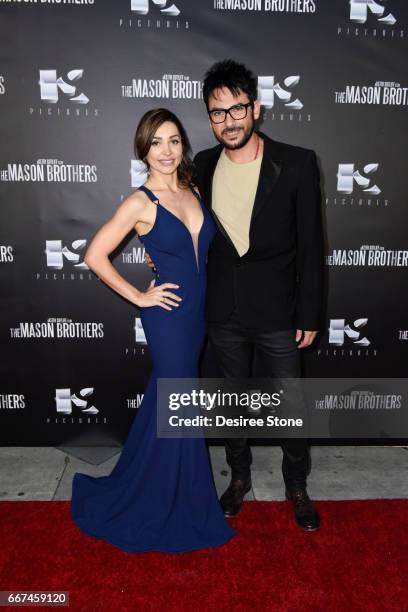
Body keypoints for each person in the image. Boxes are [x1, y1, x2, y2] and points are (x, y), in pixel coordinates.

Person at [147, 60, 324, 531]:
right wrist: (158, 258)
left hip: (279, 312)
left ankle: (296, 485)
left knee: (291, 404)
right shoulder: (200, 165)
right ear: (209, 118)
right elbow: (174, 218)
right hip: (221, 311)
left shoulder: (298, 163)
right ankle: (239, 477)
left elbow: (312, 246)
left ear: (256, 108)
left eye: (237, 109)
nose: (229, 120)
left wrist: (309, 313)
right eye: (217, 112)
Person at [70, 108, 236, 553]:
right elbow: (95, 255)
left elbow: (195, 247)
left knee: (171, 397)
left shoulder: (192, 187)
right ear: (143, 148)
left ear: (183, 146)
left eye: (174, 140)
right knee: (182, 402)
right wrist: (140, 297)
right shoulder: (140, 201)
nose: (166, 151)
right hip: (168, 315)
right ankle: (176, 501)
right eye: (157, 142)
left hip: (198, 312)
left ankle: (144, 478)